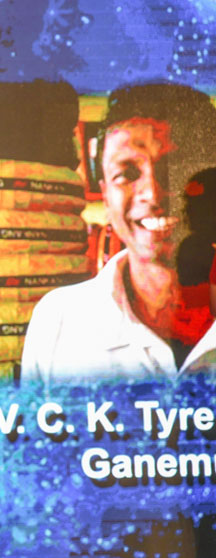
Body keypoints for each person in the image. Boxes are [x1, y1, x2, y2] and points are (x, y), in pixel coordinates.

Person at [22, 84, 216, 382]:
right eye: (127, 174)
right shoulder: (59, 322)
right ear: (105, 195)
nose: (153, 194)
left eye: (178, 168)